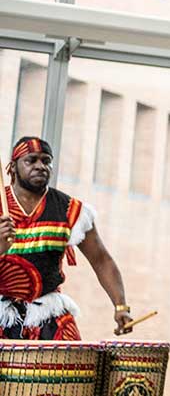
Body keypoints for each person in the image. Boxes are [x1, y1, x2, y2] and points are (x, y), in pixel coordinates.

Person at [0, 136, 133, 339]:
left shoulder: (69, 209)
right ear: (13, 167)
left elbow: (101, 260)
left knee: (73, 366)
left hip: (48, 310)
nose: (40, 166)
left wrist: (120, 305)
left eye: (46, 160)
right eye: (31, 160)